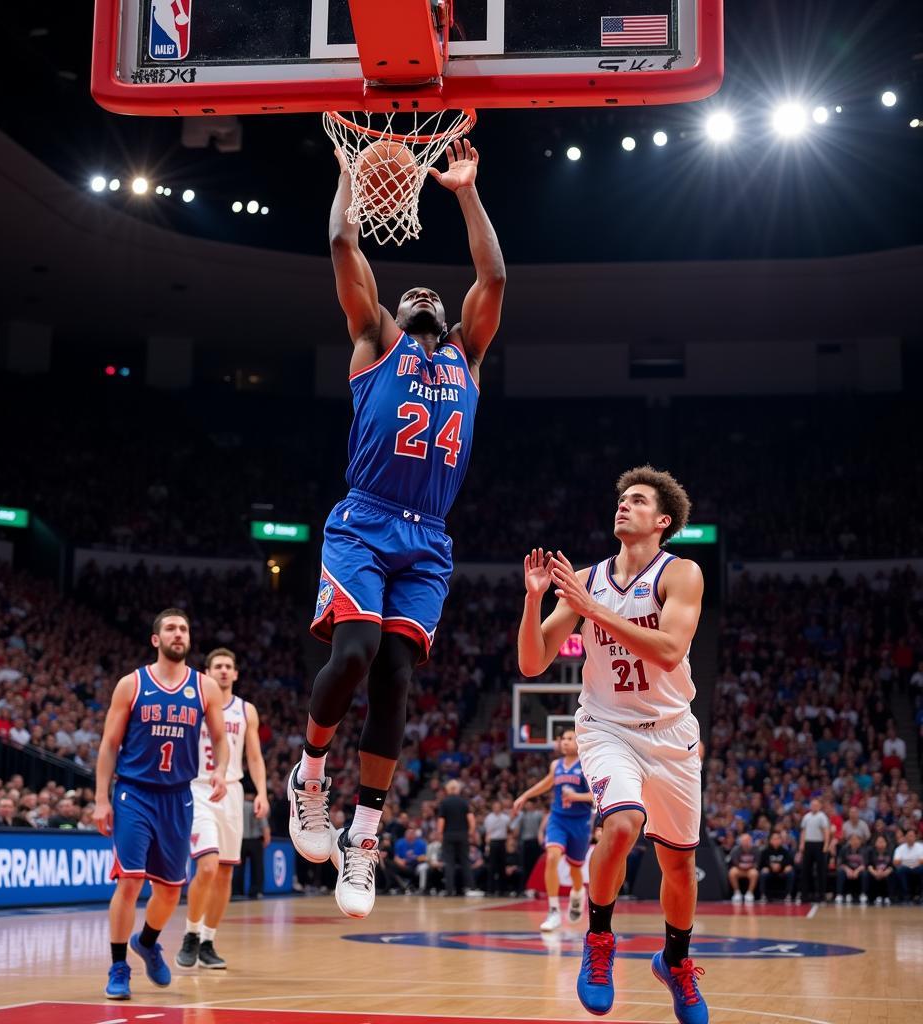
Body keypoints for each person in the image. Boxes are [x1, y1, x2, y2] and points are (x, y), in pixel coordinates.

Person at [287, 137, 506, 920]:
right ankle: (310, 775)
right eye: (406, 290)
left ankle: (365, 838)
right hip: (365, 519)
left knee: (397, 680)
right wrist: (349, 175)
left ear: (445, 320)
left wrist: (465, 192)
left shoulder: (468, 359)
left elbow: (494, 277)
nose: (419, 294)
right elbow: (344, 241)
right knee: (355, 653)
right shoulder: (375, 342)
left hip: (430, 538)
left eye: (430, 295)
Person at [518, 466, 708, 1023]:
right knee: (622, 824)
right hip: (606, 727)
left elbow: (670, 650)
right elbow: (532, 662)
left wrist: (592, 610)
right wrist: (535, 602)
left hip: (672, 733)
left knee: (679, 866)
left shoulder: (683, 573)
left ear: (663, 520)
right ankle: (598, 940)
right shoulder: (586, 580)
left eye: (639, 500)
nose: (624, 505)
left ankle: (674, 961)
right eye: (622, 499)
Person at [95, 609, 227, 1001]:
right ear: (156, 639)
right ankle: (119, 966)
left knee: (170, 890)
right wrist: (101, 798)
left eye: (184, 628)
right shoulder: (131, 684)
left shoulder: (205, 687)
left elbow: (220, 738)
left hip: (178, 795)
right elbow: (108, 745)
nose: (178, 633)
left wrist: (221, 770)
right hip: (134, 792)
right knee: (131, 880)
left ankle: (148, 942)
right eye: (170, 628)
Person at [176, 647, 268, 971]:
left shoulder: (246, 710)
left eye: (229, 666)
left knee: (226, 871)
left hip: (232, 791)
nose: (224, 671)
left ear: (236, 673)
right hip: (198, 789)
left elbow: (254, 757)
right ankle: (190, 933)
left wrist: (261, 792)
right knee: (208, 866)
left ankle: (208, 941)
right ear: (207, 672)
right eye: (218, 666)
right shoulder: (194, 703)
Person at [512, 729, 592, 931]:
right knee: (552, 857)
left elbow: (596, 796)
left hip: (580, 822)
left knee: (575, 869)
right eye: (563, 739)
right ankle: (554, 910)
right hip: (558, 818)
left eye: (570, 739)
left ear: (579, 742)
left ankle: (577, 892)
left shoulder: (587, 765)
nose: (565, 742)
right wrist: (525, 796)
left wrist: (576, 797)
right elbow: (545, 784)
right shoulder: (556, 765)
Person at [437, 779, 475, 897]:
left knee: (449, 863)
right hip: (463, 835)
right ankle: (469, 889)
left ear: (448, 789)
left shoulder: (444, 803)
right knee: (465, 862)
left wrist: (440, 834)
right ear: (458, 789)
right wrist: (470, 833)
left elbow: (441, 821)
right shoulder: (464, 802)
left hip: (448, 836)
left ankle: (449, 890)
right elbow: (471, 820)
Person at [798, 798, 831, 904]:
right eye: (812, 805)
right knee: (806, 870)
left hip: (819, 844)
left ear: (820, 806)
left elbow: (826, 831)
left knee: (821, 871)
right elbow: (803, 831)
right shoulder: (806, 817)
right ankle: (805, 895)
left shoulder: (822, 817)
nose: (814, 807)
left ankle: (821, 895)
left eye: (816, 805)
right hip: (808, 844)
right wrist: (802, 844)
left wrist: (826, 844)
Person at [758, 831, 795, 903]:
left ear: (781, 840)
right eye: (774, 839)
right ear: (770, 840)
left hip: (782, 871)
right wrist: (769, 866)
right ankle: (763, 895)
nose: (776, 840)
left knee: (790, 872)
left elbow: (790, 862)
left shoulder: (785, 851)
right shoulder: (765, 851)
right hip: (770, 871)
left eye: (778, 839)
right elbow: (762, 863)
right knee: (763, 872)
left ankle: (788, 894)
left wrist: (782, 866)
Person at [893, 827, 923, 903]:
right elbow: (896, 862)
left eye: (912, 836)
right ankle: (906, 895)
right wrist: (913, 861)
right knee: (900, 870)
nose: (910, 838)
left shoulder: (921, 847)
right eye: (908, 836)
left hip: (918, 868)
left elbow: (922, 861)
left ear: (915, 837)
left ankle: (921, 895)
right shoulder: (900, 848)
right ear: (905, 837)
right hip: (905, 869)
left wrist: (904, 861)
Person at [727, 833, 760, 904]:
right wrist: (743, 866)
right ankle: (737, 892)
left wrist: (748, 866)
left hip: (750, 870)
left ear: (750, 841)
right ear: (741, 841)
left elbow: (757, 863)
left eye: (747, 840)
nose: (746, 842)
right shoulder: (736, 849)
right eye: (744, 841)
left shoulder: (755, 849)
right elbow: (735, 862)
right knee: (732, 872)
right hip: (740, 870)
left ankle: (750, 893)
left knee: (754, 873)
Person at [836, 834, 867, 904]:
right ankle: (839, 895)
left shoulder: (864, 850)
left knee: (865, 873)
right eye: (852, 840)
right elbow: (840, 863)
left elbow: (865, 864)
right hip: (848, 869)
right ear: (849, 841)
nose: (855, 841)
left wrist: (857, 871)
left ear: (860, 841)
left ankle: (863, 894)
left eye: (856, 840)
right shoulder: (844, 849)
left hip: (859, 870)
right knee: (840, 872)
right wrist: (848, 870)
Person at [866, 834, 894, 905]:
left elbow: (892, 865)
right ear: (875, 843)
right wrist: (875, 872)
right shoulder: (871, 852)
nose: (881, 844)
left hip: (886, 872)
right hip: (875, 872)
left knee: (891, 875)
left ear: (886, 843)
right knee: (869, 876)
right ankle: (876, 897)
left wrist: (885, 872)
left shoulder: (890, 852)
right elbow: (869, 865)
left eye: (882, 842)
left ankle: (887, 897)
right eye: (879, 842)